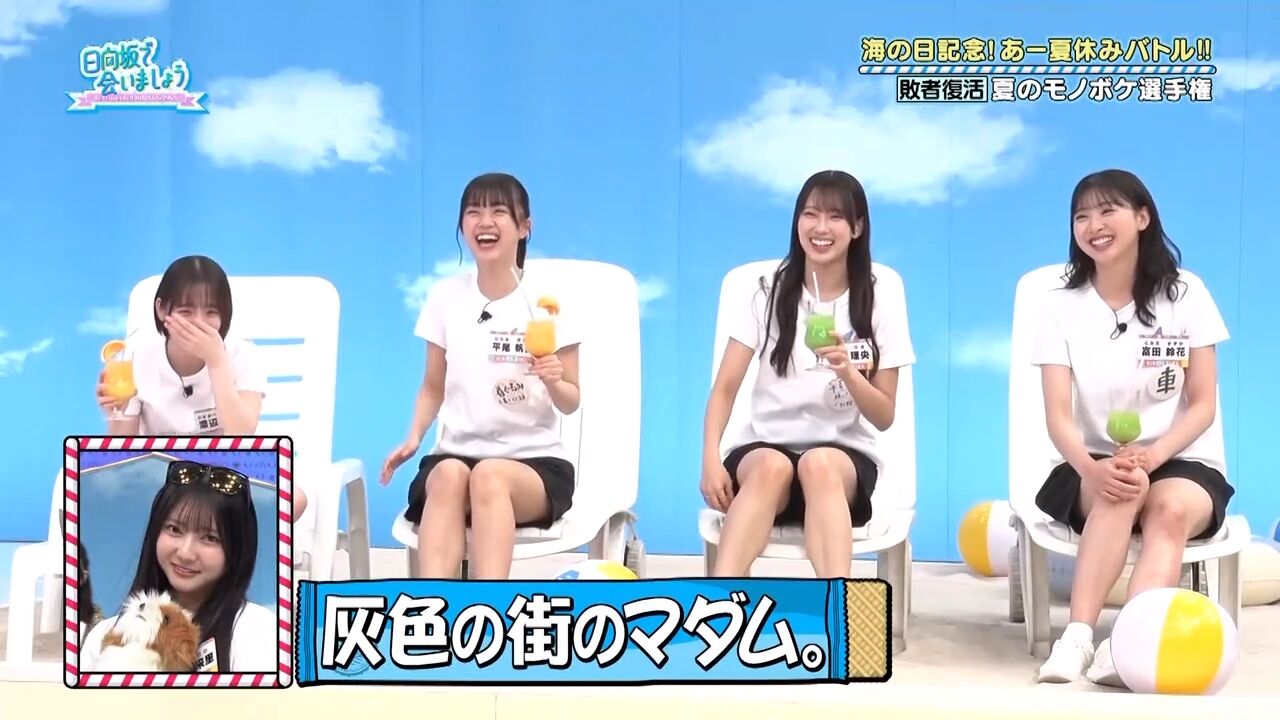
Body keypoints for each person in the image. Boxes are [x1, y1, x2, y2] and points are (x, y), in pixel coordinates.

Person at [1032, 169, 1232, 686]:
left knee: (1167, 508)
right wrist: (1090, 469)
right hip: (1090, 460)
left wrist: (1155, 454)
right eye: (1081, 216)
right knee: (1122, 485)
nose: (1093, 225)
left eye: (1108, 211)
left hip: (1180, 460)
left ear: (1142, 218)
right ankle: (1077, 637)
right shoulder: (1058, 305)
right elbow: (1057, 415)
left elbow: (1202, 404)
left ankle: (1129, 645)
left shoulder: (1186, 293)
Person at [700, 169, 915, 579]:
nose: (820, 228)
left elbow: (884, 415)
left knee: (818, 464)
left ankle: (838, 605)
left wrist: (849, 372)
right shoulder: (766, 292)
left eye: (835, 216)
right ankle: (722, 601)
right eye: (810, 214)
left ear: (857, 227)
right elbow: (725, 388)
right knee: (772, 467)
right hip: (766, 450)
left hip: (842, 459)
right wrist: (710, 458)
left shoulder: (879, 297)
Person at [380, 172, 580, 580]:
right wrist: (414, 437)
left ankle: (488, 608)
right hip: (456, 455)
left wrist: (554, 380)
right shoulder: (445, 296)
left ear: (524, 227)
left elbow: (570, 400)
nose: (484, 222)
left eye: (499, 211)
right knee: (449, 474)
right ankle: (435, 606)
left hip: (534, 465)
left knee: (489, 476)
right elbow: (432, 386)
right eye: (473, 212)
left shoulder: (550, 302)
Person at [92, 256, 308, 522]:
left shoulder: (243, 354)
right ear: (161, 310)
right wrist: (116, 412)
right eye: (186, 311)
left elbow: (241, 435)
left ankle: (233, 544)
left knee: (295, 499)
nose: (199, 322)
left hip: (226, 474)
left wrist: (216, 362)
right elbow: (122, 453)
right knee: (96, 494)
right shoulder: (135, 355)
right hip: (159, 477)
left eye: (211, 312)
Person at [80, 460, 276, 672]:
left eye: (210, 538)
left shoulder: (256, 630)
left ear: (237, 549)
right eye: (174, 529)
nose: (185, 552)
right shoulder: (104, 634)